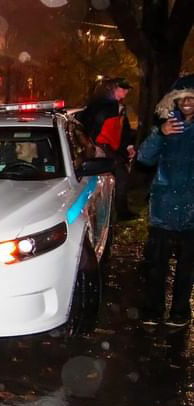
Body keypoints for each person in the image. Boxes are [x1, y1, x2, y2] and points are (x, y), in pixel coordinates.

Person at [137, 74, 194, 327]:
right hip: (162, 209)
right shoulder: (165, 127)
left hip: (192, 211)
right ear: (174, 101)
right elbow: (144, 158)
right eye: (182, 98)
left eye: (192, 98)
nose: (187, 103)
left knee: (187, 267)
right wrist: (160, 135)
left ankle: (180, 311)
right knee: (156, 265)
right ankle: (153, 309)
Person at [79, 77, 137, 220]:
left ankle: (115, 212)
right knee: (110, 177)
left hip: (109, 148)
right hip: (101, 148)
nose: (125, 92)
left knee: (117, 176)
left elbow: (124, 129)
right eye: (121, 89)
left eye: (126, 89)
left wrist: (129, 146)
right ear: (112, 89)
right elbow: (92, 126)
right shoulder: (103, 106)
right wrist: (94, 146)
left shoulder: (118, 107)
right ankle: (113, 213)